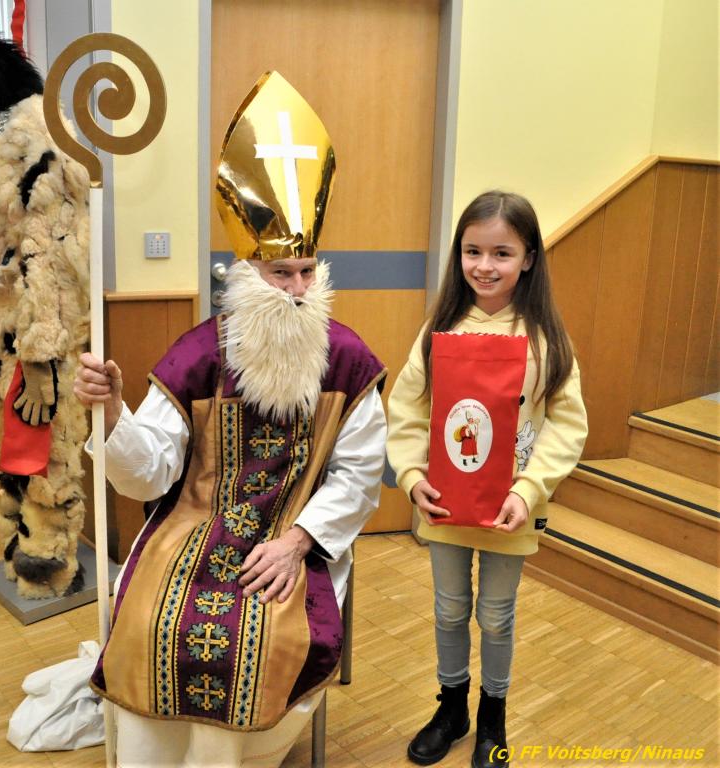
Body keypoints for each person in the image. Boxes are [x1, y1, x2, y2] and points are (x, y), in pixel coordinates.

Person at [74, 72, 387, 767]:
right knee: (152, 618)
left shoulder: (348, 362)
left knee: (264, 633)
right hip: (193, 525)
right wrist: (113, 412)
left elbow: (360, 475)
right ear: (246, 273)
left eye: (307, 273)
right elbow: (148, 471)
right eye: (281, 276)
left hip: (292, 534)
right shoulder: (197, 355)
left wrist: (298, 542)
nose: (298, 291)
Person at [386, 191, 588, 768]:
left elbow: (567, 424)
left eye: (502, 253)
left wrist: (529, 489)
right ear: (459, 254)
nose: (485, 265)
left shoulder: (546, 337)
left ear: (528, 258)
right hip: (446, 504)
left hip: (511, 509)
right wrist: (412, 473)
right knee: (449, 609)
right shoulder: (439, 329)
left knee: (496, 616)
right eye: (473, 251)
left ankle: (492, 717)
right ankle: (451, 708)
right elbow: (407, 410)